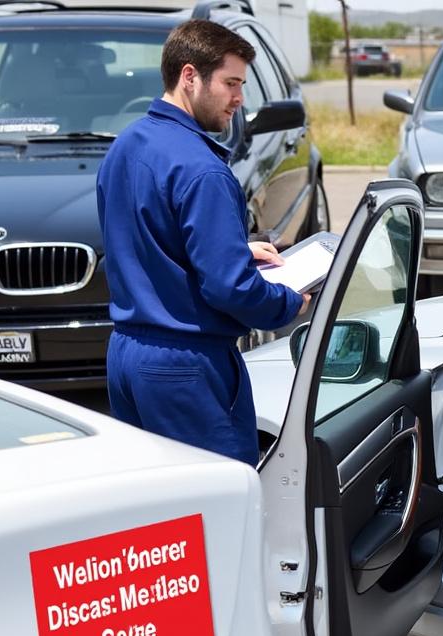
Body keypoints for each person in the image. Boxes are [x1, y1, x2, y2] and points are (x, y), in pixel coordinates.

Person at [96, 19, 310, 466]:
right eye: (231, 83)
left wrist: (234, 246)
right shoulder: (203, 169)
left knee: (154, 513)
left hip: (125, 357)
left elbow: (144, 237)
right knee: (219, 509)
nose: (239, 98)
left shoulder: (127, 145)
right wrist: (288, 304)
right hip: (185, 366)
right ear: (189, 76)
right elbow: (230, 289)